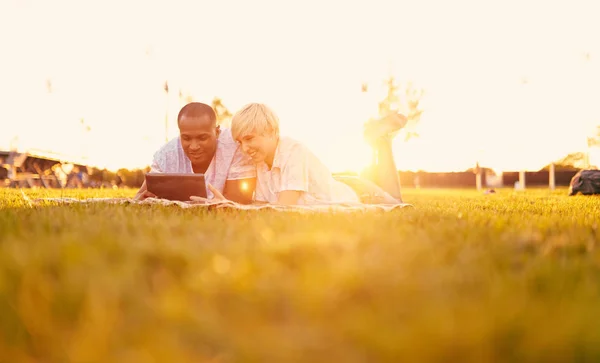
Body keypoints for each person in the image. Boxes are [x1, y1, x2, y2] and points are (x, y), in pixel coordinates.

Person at [194, 103, 360, 205]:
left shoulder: (293, 152)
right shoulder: (259, 163)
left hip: (346, 200)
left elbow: (285, 208)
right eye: (240, 142)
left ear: (272, 131)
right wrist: (229, 206)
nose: (244, 148)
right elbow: (261, 206)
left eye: (249, 139)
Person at [134, 102, 256, 203]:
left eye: (202, 138)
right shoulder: (166, 154)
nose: (193, 146)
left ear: (217, 132)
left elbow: (241, 200)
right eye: (186, 138)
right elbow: (143, 196)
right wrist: (140, 201)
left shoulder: (236, 145)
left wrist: (212, 204)